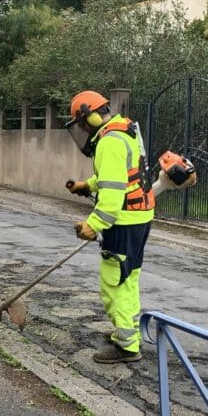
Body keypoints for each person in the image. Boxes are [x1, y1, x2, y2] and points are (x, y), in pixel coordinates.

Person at [65, 90, 155, 364]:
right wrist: (87, 185)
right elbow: (119, 176)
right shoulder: (125, 131)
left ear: (91, 116)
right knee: (128, 279)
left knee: (113, 283)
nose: (82, 129)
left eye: (81, 123)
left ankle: (126, 347)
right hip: (140, 218)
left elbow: (114, 195)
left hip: (122, 222)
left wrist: (93, 224)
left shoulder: (109, 142)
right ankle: (126, 333)